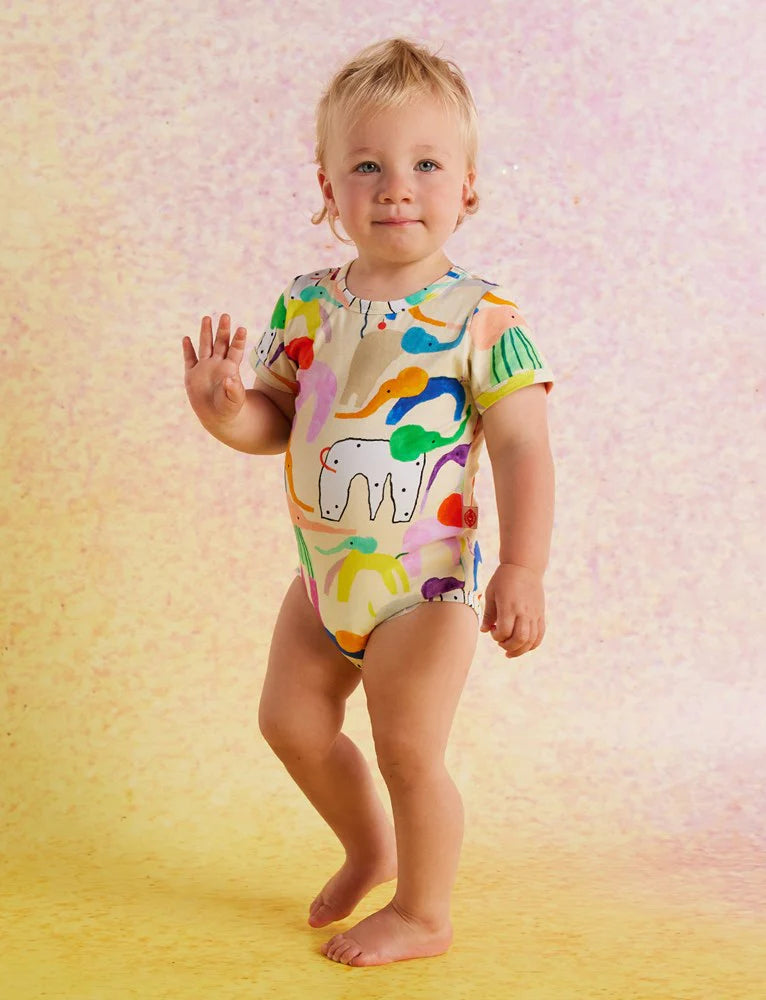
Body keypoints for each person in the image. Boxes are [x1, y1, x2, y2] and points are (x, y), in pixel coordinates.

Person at [182, 37, 555, 968]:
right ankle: (368, 849)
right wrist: (225, 408)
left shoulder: (485, 317)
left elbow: (521, 445)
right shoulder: (306, 304)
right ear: (328, 190)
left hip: (419, 592)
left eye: (426, 164)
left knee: (407, 748)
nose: (397, 187)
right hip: (322, 582)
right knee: (291, 724)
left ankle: (426, 912)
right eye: (368, 166)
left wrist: (524, 565)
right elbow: (274, 420)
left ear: (468, 186)